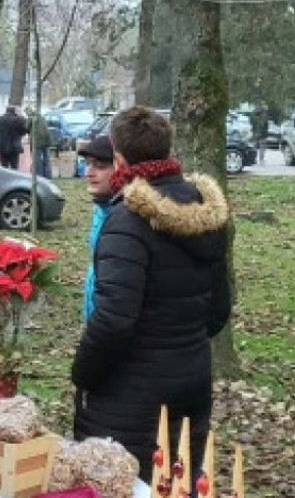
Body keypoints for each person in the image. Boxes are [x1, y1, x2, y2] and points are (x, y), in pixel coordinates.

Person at [71, 106, 231, 482]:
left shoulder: (126, 221)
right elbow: (219, 308)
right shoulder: (205, 212)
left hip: (131, 393)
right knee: (177, 481)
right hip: (191, 376)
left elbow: (113, 320)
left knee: (125, 483)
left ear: (120, 157)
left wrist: (83, 374)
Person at [77, 135, 117, 322]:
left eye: (100, 166)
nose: (89, 172)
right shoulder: (101, 208)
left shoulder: (125, 216)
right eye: (87, 164)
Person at [0, 106, 29, 170]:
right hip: (14, 146)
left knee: (4, 166)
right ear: (14, 111)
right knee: (14, 166)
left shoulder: (0, 119)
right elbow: (24, 132)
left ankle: (5, 178)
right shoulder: (19, 120)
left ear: (6, 111)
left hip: (2, 146)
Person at [29, 108, 53, 178]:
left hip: (37, 141)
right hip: (46, 139)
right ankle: (48, 174)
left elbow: (26, 127)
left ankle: (39, 175)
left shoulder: (31, 118)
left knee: (37, 159)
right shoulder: (42, 117)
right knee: (46, 158)